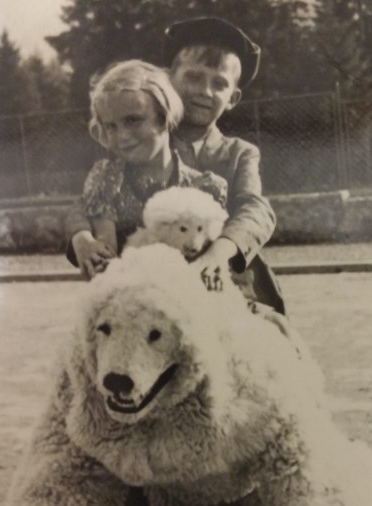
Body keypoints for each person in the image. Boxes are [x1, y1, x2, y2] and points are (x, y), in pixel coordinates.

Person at [164, 16, 285, 313]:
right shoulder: (145, 144)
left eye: (219, 84)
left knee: (279, 348)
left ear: (232, 98)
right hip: (159, 286)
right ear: (168, 79)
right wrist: (83, 238)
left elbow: (255, 209)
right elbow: (98, 193)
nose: (205, 91)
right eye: (193, 78)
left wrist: (218, 254)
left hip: (227, 286)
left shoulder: (239, 153)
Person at [66, 59, 227, 279]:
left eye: (133, 120)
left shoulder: (205, 188)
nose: (122, 136)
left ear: (164, 116)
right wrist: (83, 240)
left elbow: (216, 263)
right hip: (130, 297)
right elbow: (104, 259)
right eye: (111, 126)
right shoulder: (108, 179)